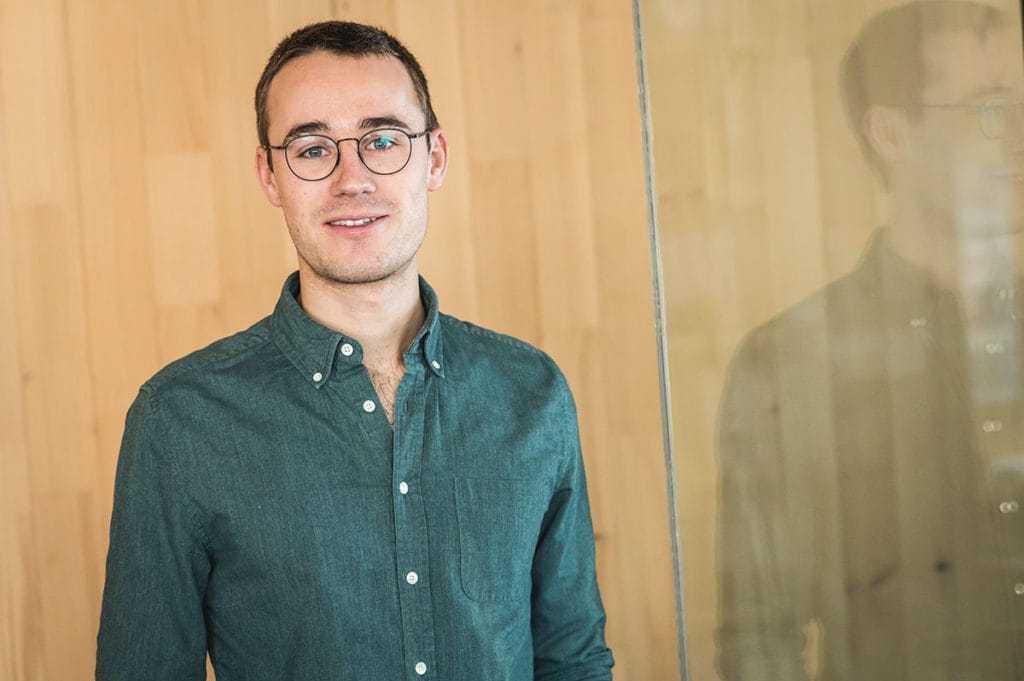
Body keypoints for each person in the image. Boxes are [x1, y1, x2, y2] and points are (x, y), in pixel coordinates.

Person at [96, 21, 613, 680]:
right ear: (270, 175)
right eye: (313, 149)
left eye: (384, 140)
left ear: (435, 158)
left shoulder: (531, 392)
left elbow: (572, 658)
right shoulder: (180, 419)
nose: (352, 179)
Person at [716, 2, 1024, 679]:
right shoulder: (790, 361)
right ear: (892, 132)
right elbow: (760, 641)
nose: (1017, 137)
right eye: (991, 109)